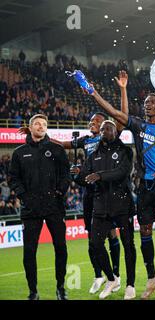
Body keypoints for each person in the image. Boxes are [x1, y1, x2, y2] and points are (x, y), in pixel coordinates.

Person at [17, 70, 130, 294]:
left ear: (105, 124)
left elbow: (122, 117)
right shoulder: (86, 141)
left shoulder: (108, 136)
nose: (92, 123)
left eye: (97, 120)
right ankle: (101, 275)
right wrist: (34, 135)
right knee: (92, 237)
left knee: (111, 234)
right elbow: (62, 144)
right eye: (90, 121)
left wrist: (123, 90)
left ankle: (115, 274)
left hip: (109, 191)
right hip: (91, 191)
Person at [86, 89, 155, 299]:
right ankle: (152, 278)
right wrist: (93, 93)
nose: (147, 105)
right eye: (145, 102)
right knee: (145, 232)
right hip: (144, 188)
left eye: (151, 102)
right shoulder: (138, 126)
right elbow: (114, 112)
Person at [9, 114, 71, 300]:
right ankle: (33, 291)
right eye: (37, 123)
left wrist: (60, 192)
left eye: (44, 124)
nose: (41, 126)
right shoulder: (19, 152)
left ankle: (61, 288)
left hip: (54, 206)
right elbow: (13, 179)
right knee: (29, 251)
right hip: (30, 209)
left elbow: (66, 174)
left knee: (61, 248)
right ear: (30, 127)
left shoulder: (57, 150)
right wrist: (24, 197)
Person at [76, 120, 137, 299]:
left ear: (115, 132)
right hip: (100, 206)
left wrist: (99, 176)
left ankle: (130, 284)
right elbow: (84, 178)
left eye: (107, 128)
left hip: (122, 205)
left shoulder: (125, 151)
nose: (103, 131)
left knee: (128, 245)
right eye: (102, 129)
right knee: (95, 244)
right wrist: (77, 175)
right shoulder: (94, 154)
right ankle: (110, 278)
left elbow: (122, 172)